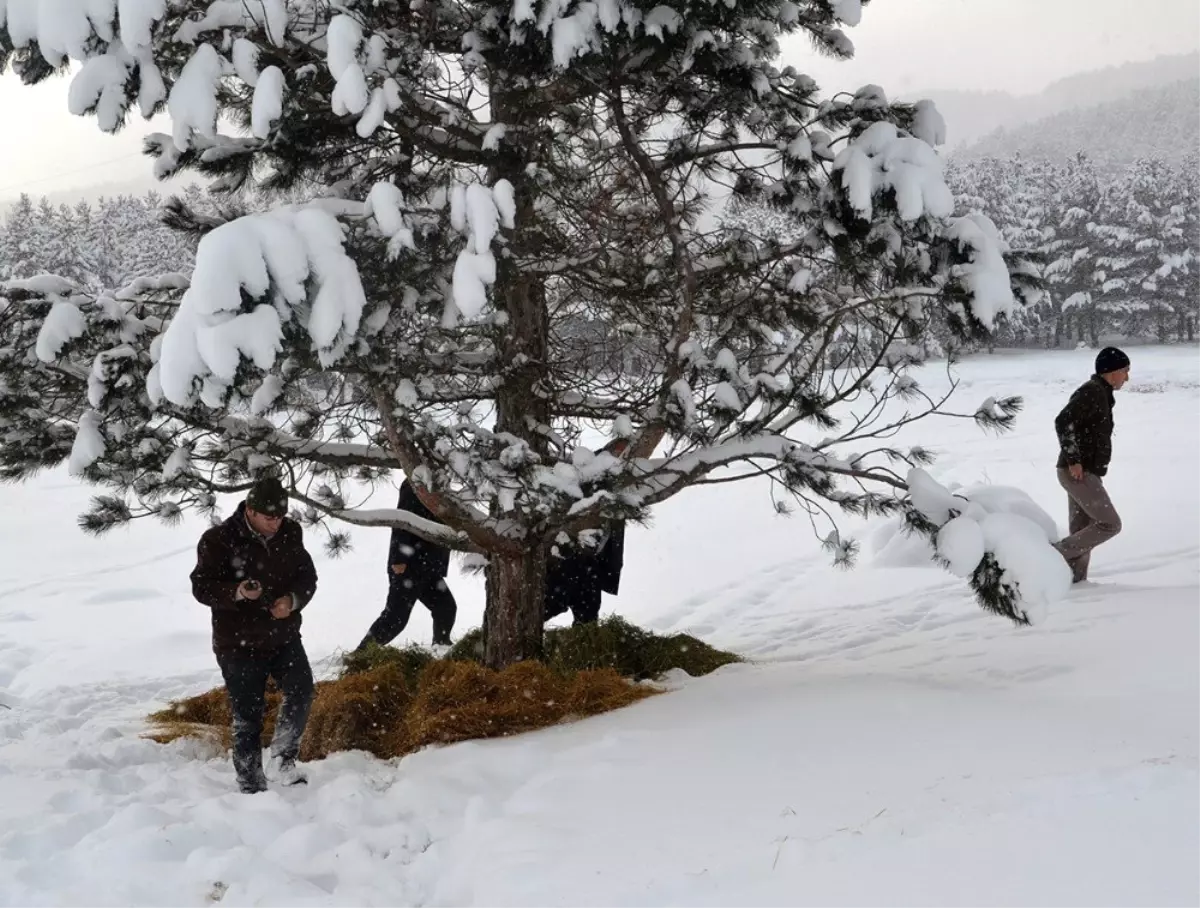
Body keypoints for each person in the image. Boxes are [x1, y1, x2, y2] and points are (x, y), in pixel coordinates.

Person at [189, 477, 318, 794]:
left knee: (302, 690)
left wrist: (292, 601)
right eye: (269, 517)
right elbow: (201, 586)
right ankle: (250, 782)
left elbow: (307, 576)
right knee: (248, 714)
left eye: (281, 516)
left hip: (283, 635)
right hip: (238, 642)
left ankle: (283, 760)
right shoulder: (218, 540)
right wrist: (236, 592)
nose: (276, 523)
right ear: (249, 510)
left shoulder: (290, 532)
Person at [1052, 346, 1130, 584]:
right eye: (1125, 371)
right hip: (1077, 471)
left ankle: (1074, 583)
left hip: (1081, 472)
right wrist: (1075, 460)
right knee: (1109, 524)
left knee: (1081, 533)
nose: (1127, 377)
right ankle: (1052, 554)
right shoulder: (1092, 392)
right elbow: (1063, 421)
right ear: (1111, 371)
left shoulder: (1101, 393)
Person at [354, 479, 457, 652]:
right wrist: (399, 559)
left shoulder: (439, 483)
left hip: (429, 567)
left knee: (445, 607)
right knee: (395, 619)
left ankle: (441, 649)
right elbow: (402, 519)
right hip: (408, 566)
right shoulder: (415, 483)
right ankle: (360, 656)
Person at [544, 439, 628, 625]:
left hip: (591, 568)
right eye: (618, 453)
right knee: (543, 609)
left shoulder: (621, 487)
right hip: (564, 562)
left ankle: (584, 648)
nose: (620, 459)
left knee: (587, 620)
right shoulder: (586, 473)